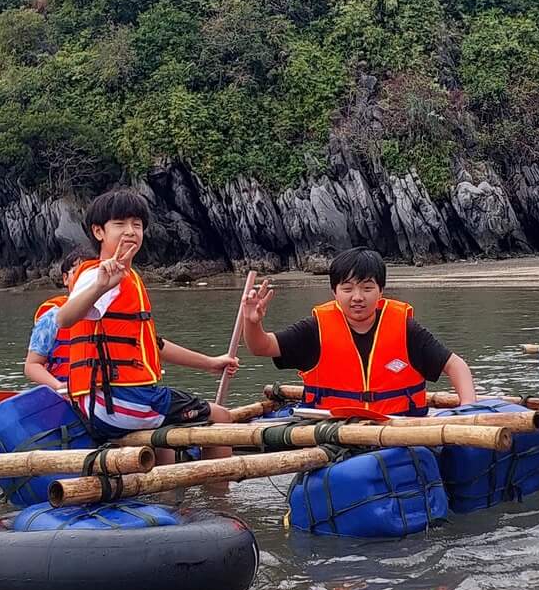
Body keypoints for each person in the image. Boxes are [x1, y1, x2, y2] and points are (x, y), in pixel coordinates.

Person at [58, 187, 240, 441]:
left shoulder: (126, 276)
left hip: (102, 404)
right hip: (119, 403)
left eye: (137, 224)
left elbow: (153, 344)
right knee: (221, 416)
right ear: (98, 231)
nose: (131, 231)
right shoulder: (99, 275)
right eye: (120, 224)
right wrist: (101, 285)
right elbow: (64, 318)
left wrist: (210, 363)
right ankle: (218, 483)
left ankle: (174, 479)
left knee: (164, 444)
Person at [237, 247, 477, 416]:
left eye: (367, 288)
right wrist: (252, 322)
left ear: (381, 291)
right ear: (335, 292)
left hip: (400, 430)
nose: (357, 297)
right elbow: (261, 347)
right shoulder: (315, 328)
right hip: (333, 430)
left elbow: (456, 366)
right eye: (348, 288)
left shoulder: (405, 327)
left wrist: (468, 408)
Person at [23, 252, 84, 392]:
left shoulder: (111, 315)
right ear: (65, 278)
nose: (83, 278)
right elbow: (32, 365)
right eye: (76, 272)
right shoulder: (51, 318)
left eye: (88, 273)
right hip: (63, 394)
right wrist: (58, 386)